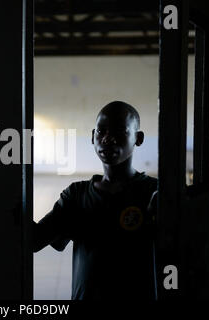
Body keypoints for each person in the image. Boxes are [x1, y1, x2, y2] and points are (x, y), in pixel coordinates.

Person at [33, 101, 158, 300]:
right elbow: (35, 240)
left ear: (138, 138)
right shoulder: (76, 195)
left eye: (120, 131)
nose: (108, 139)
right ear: (93, 136)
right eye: (101, 131)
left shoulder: (153, 192)